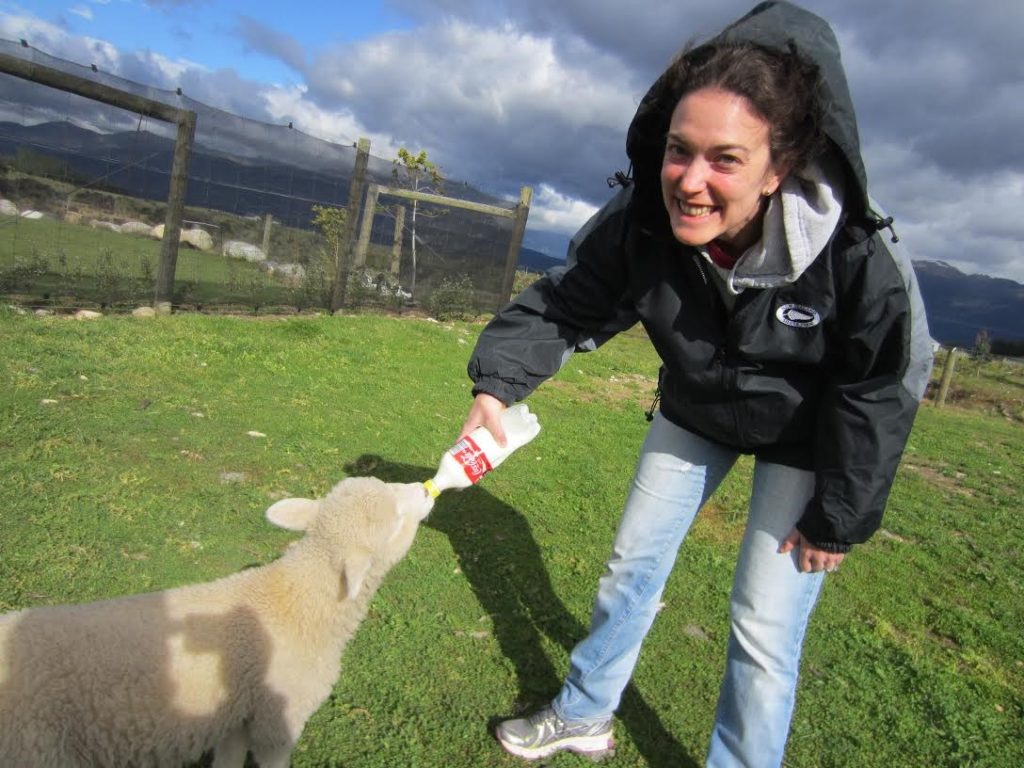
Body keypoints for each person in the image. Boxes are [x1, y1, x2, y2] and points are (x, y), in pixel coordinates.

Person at [459, 1, 933, 766]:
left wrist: (838, 514)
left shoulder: (855, 252)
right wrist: (498, 387)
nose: (690, 180)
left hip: (806, 438)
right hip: (696, 408)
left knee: (764, 624)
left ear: (779, 167)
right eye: (679, 151)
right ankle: (585, 713)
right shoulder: (642, 219)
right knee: (630, 568)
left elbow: (882, 381)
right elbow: (569, 298)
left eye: (725, 159)